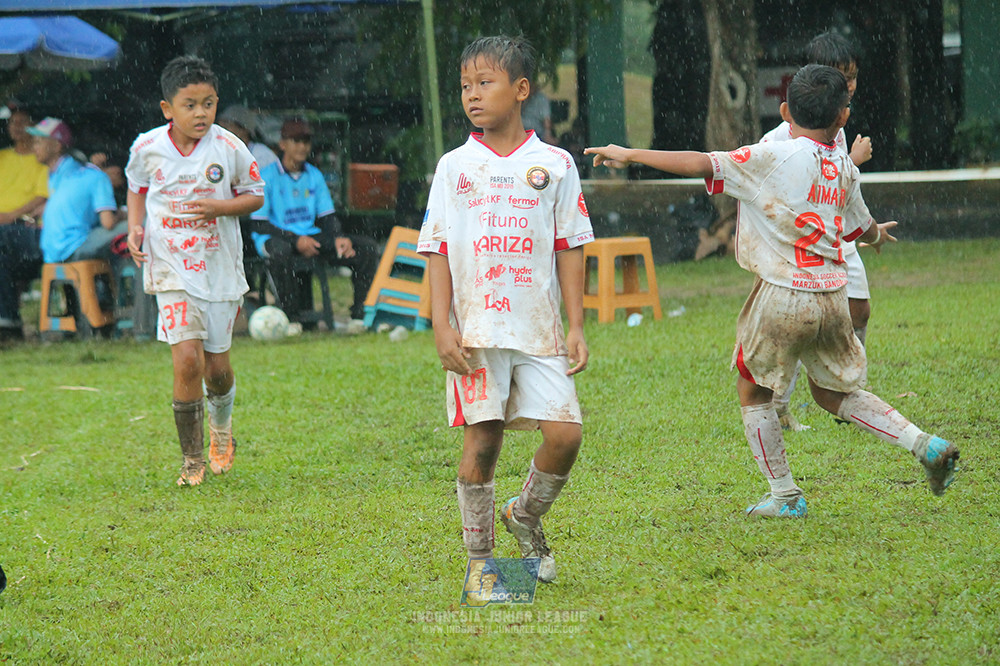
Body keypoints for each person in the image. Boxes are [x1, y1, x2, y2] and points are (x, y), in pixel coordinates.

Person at [585, 64, 959, 517]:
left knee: (753, 390)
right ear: (843, 118)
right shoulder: (843, 166)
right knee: (833, 393)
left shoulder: (772, 155)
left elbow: (700, 162)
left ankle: (784, 495)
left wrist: (630, 153)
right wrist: (879, 236)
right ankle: (924, 443)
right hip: (831, 295)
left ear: (784, 110)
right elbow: (862, 225)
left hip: (782, 295)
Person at [418, 35, 594, 582]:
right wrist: (440, 325)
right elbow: (438, 249)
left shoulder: (556, 164)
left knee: (565, 435)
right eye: (465, 86)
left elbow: (570, 246)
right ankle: (480, 567)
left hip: (539, 332)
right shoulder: (453, 167)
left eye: (484, 83)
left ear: (521, 90)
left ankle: (524, 515)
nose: (472, 95)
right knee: (483, 442)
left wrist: (578, 325)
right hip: (476, 334)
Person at [125, 55, 264, 486]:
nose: (200, 113)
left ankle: (221, 433)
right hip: (169, 268)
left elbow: (255, 196)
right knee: (187, 360)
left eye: (208, 103)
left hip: (218, 268)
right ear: (168, 108)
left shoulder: (229, 148)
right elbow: (136, 187)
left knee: (216, 370)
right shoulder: (147, 148)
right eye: (190, 104)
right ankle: (191, 460)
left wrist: (219, 207)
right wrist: (134, 225)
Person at [762, 31, 873, 432]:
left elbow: (837, 184)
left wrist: (870, 231)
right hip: (799, 249)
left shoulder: (838, 122)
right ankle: (779, 404)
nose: (850, 87)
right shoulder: (776, 139)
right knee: (793, 331)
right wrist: (853, 161)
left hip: (837, 237)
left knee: (859, 308)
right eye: (842, 78)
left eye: (853, 77)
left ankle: (850, 387)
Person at [249, 117, 378, 330]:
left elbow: (327, 216)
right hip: (276, 237)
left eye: (306, 142)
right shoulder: (267, 176)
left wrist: (338, 237)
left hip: (309, 235)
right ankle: (291, 320)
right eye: (296, 141)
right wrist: (295, 239)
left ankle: (359, 316)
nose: (302, 147)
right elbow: (260, 224)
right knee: (280, 252)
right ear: (283, 144)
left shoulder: (314, 175)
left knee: (365, 249)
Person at [28, 118, 122, 270]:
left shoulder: (61, 174)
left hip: (51, 254)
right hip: (73, 248)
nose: (34, 147)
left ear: (57, 145)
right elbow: (109, 223)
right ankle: (123, 291)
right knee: (137, 226)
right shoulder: (91, 176)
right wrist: (124, 215)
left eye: (39, 142)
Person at [0, 103, 48, 341]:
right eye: (12, 123)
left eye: (22, 122)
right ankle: (7, 321)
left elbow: (42, 196)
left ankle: (7, 319)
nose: (16, 128)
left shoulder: (41, 160)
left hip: (23, 227)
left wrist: (11, 216)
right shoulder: (3, 157)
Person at [217, 105, 279, 171]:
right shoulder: (218, 153)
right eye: (219, 127)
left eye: (226, 127)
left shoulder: (262, 154)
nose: (221, 132)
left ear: (243, 129)